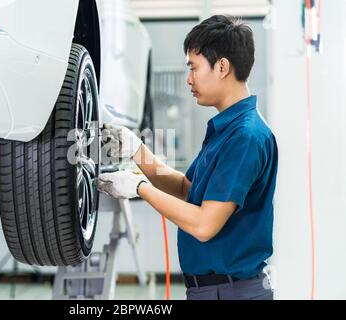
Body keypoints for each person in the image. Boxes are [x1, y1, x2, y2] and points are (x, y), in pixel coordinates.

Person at [96, 15, 278, 300]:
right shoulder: (226, 128)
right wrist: (136, 151)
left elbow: (205, 225)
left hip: (231, 293)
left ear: (222, 67)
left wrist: (139, 188)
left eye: (193, 68)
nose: (188, 79)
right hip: (216, 290)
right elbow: (186, 189)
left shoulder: (245, 136)